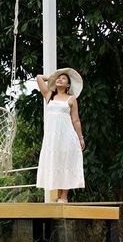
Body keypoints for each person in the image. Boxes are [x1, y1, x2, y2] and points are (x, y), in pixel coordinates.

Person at [35, 68, 85, 203]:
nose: (60, 79)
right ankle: (58, 195)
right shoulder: (49, 95)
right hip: (52, 137)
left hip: (67, 135)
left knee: (66, 161)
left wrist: (80, 137)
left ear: (68, 85)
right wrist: (52, 77)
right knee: (55, 161)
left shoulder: (71, 99)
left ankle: (64, 196)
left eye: (63, 78)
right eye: (59, 78)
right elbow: (39, 77)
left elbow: (76, 120)